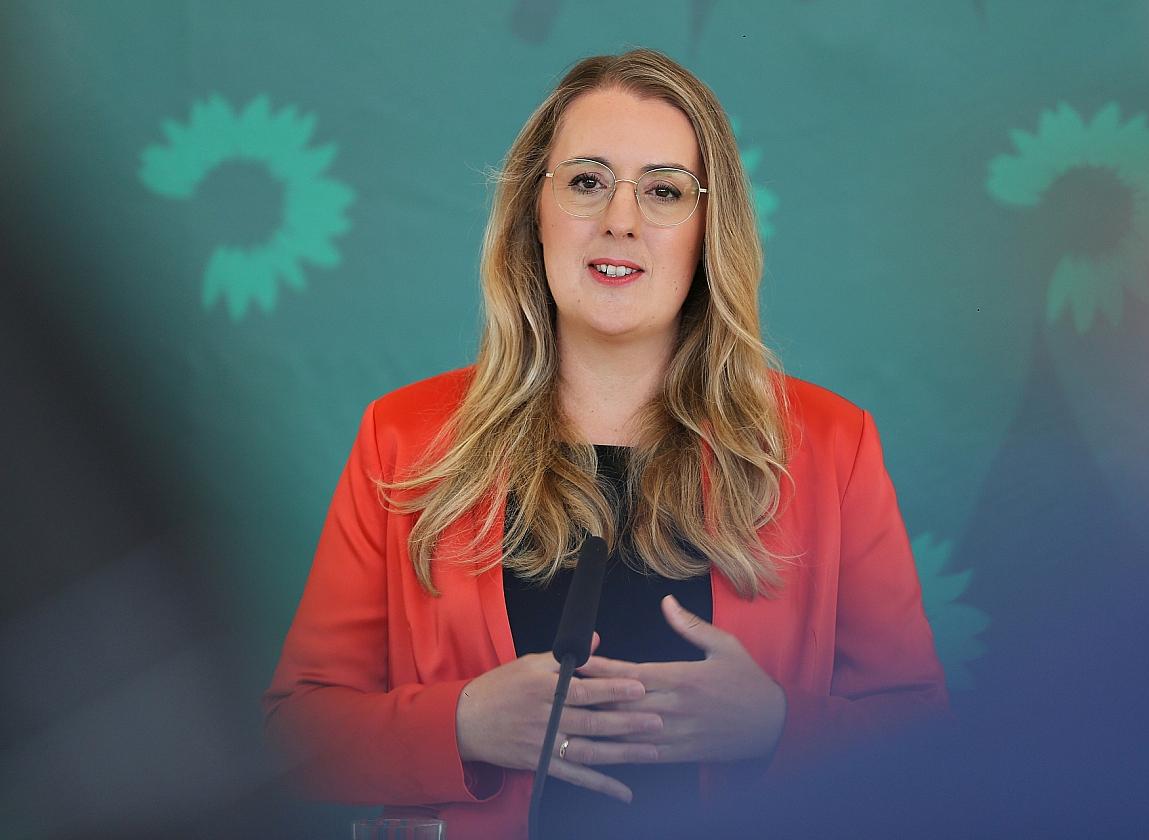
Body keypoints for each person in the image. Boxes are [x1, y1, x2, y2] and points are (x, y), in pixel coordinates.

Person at [262, 48, 949, 840]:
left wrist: (775, 725)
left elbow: (927, 745)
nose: (621, 219)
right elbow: (295, 737)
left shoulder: (831, 445)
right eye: (587, 182)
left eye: (664, 190)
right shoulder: (403, 436)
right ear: (534, 210)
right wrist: (462, 722)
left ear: (708, 229)